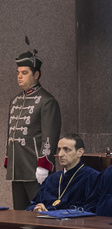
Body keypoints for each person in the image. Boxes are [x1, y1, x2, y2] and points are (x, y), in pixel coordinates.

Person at [6, 47, 61, 209]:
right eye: (18, 73)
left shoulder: (47, 101)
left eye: (24, 73)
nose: (19, 76)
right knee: (19, 214)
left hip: (36, 170)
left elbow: (49, 136)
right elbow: (10, 134)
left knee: (40, 214)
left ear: (36, 75)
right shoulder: (14, 100)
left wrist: (44, 164)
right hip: (17, 169)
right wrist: (8, 158)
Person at [27, 134, 98, 212]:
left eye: (66, 150)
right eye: (59, 150)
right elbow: (34, 203)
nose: (60, 154)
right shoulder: (51, 179)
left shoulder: (92, 177)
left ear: (80, 152)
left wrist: (50, 213)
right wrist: (37, 208)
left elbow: (91, 208)